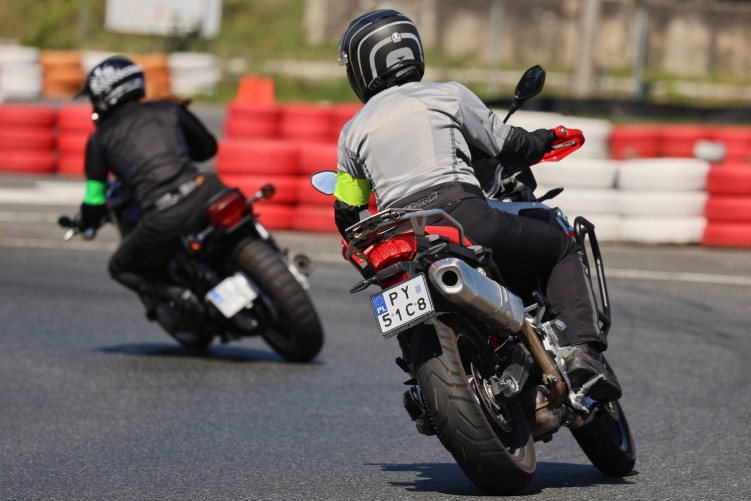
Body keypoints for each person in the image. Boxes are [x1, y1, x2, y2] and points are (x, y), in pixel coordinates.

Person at [333, 9, 621, 402]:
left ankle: (421, 382)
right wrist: (545, 139)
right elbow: (507, 145)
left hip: (398, 238)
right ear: (411, 50)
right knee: (560, 246)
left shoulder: (352, 131)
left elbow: (346, 211)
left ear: (362, 68)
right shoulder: (447, 94)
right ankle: (581, 352)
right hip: (461, 214)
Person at [75, 55, 228, 312]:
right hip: (206, 189)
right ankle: (279, 259)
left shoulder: (99, 140)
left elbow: (94, 198)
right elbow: (208, 148)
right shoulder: (170, 109)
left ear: (102, 98)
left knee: (119, 267)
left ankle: (181, 296)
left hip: (163, 213)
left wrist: (87, 222)